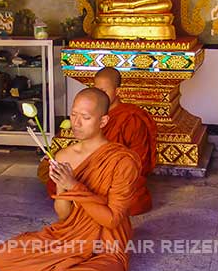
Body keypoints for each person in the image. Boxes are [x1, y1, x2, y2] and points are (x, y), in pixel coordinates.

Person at [0, 88, 141, 271]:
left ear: (103, 121)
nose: (77, 123)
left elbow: (112, 219)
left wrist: (74, 185)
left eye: (86, 117)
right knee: (3, 255)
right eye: (74, 115)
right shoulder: (64, 156)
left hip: (105, 245)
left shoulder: (122, 161)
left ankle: (61, 266)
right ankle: (69, 267)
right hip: (68, 238)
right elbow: (64, 216)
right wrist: (63, 187)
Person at [41, 67, 156, 215]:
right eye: (74, 115)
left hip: (116, 177)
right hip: (89, 173)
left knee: (126, 200)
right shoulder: (89, 111)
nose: (77, 122)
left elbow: (140, 161)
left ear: (117, 91)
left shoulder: (130, 118)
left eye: (104, 91)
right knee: (53, 173)